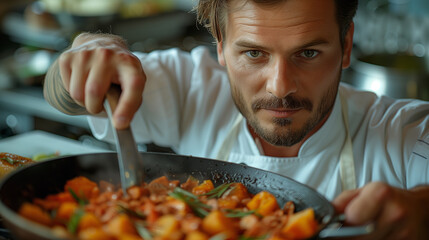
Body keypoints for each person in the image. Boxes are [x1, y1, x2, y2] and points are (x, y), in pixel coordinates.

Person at [44, 0, 429, 239]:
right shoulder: (192, 87)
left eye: (308, 53)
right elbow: (62, 94)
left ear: (346, 46)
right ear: (221, 46)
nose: (280, 87)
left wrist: (421, 211)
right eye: (254, 54)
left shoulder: (403, 132)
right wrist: (87, 56)